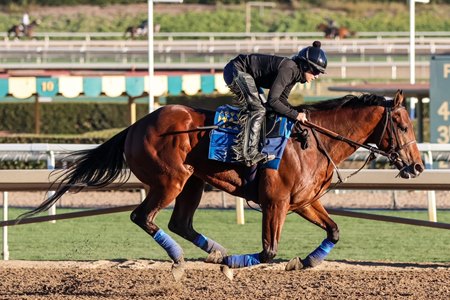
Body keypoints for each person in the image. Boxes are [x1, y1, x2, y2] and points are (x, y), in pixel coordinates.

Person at [223, 41, 327, 166]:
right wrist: (295, 115)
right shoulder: (289, 69)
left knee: (264, 108)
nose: (317, 76)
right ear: (305, 66)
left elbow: (281, 100)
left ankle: (256, 143)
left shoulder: (295, 74)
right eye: (315, 71)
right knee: (258, 109)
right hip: (236, 70)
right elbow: (273, 101)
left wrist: (296, 112)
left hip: (248, 75)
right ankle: (248, 153)